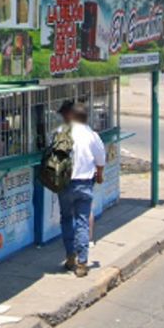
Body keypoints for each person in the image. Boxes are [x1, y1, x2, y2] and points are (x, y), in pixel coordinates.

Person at [57, 100, 105, 277]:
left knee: (66, 219)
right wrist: (99, 175)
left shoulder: (60, 132)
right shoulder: (92, 135)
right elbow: (101, 159)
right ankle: (82, 263)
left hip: (64, 183)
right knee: (82, 221)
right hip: (84, 183)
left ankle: (70, 256)